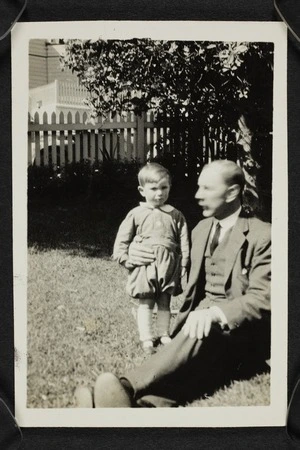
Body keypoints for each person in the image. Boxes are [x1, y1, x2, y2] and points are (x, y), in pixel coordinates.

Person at [75, 159, 271, 408]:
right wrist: (132, 255)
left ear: (232, 192)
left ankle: (126, 385)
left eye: (207, 189)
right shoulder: (200, 230)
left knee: (202, 334)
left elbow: (264, 298)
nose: (197, 195)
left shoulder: (262, 235)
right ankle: (140, 406)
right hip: (199, 333)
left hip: (240, 334)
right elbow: (161, 252)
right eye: (198, 188)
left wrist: (215, 313)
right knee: (198, 361)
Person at [113, 162, 189, 353]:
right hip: (145, 265)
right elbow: (122, 238)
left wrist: (185, 262)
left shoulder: (175, 215)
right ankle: (146, 337)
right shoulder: (137, 213)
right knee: (146, 301)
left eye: (164, 188)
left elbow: (184, 240)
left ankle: (164, 334)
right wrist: (125, 258)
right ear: (142, 190)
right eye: (154, 189)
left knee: (165, 301)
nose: (159, 193)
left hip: (168, 265)